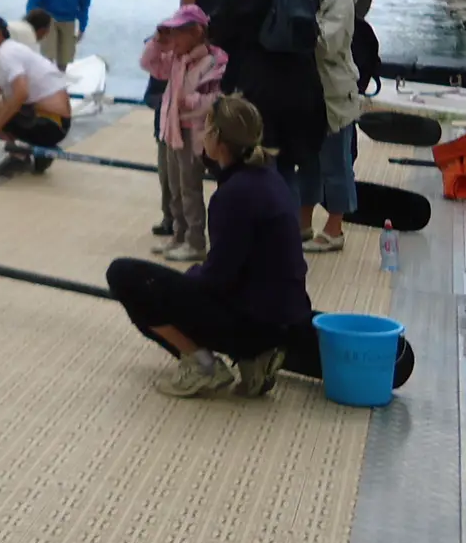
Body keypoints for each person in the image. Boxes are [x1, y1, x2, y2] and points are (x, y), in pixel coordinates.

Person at [103, 94, 312, 399]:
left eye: (205, 127)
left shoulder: (232, 196)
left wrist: (181, 284)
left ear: (217, 138)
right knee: (176, 283)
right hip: (283, 319)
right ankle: (254, 359)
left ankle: (204, 365)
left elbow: (218, 278)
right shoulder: (269, 178)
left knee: (125, 276)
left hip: (255, 324)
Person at [207, 0, 326, 191]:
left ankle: (251, 230)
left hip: (252, 86)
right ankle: (287, 229)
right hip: (300, 85)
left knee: (246, 166)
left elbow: (220, 33)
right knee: (288, 167)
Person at [150, 0, 237, 238]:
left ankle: (198, 226)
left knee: (199, 154)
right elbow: (186, 15)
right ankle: (171, 218)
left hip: (215, 61)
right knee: (169, 154)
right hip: (190, 55)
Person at [139, 5, 228, 262]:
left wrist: (190, 101)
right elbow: (148, 63)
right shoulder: (177, 58)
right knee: (175, 188)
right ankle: (179, 235)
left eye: (178, 33)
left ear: (197, 32)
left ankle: (196, 240)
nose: (173, 39)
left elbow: (217, 99)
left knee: (190, 189)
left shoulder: (212, 61)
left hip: (193, 133)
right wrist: (158, 39)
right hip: (172, 131)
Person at [296, 0, 362, 253]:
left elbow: (328, 45)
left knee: (336, 163)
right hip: (308, 91)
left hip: (334, 92)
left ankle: (335, 228)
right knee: (306, 161)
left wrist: (299, 24)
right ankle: (303, 222)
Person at [0, 11, 72, 175]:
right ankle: (38, 149)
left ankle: (19, 157)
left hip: (49, 124)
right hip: (55, 123)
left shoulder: (7, 53)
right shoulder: (12, 50)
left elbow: (21, 94)